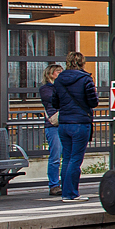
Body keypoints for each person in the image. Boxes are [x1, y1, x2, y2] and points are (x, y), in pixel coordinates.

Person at [51, 51, 98, 202]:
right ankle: (71, 193)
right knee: (76, 159)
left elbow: (55, 102)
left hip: (64, 123)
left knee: (67, 158)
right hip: (80, 123)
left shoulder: (59, 80)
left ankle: (66, 192)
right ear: (82, 62)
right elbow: (93, 102)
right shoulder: (85, 79)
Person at [40, 64, 64, 196]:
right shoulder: (46, 89)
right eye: (58, 72)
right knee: (55, 156)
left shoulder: (62, 87)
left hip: (65, 123)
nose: (61, 73)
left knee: (67, 156)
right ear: (50, 74)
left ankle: (66, 183)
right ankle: (54, 185)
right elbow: (54, 100)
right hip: (53, 125)